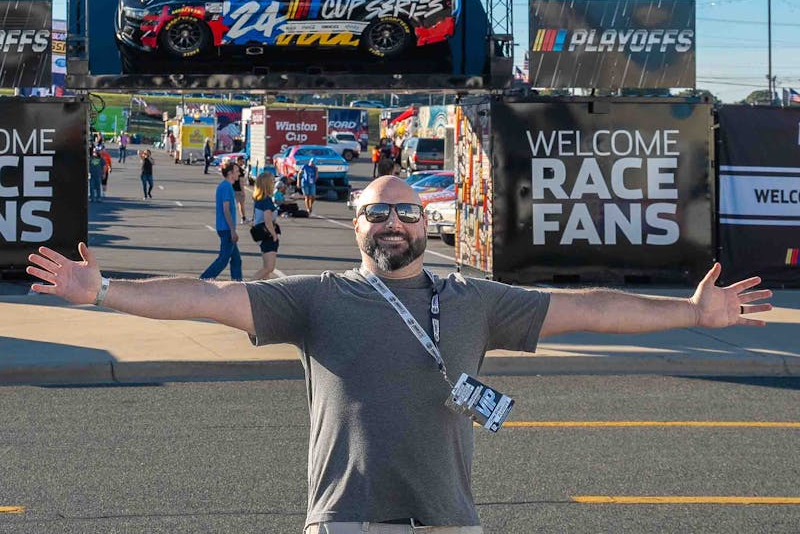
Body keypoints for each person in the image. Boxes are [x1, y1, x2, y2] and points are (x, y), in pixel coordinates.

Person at [26, 175, 773, 534]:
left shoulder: (474, 298)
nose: (391, 224)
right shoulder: (315, 296)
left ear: (427, 224)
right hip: (346, 521)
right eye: (375, 213)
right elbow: (204, 297)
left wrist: (690, 312)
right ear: (353, 226)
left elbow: (589, 309)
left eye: (405, 212)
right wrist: (107, 293)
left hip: (448, 518)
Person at [199, 161, 242, 281]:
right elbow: (226, 210)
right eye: (237, 171)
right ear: (230, 173)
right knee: (223, 259)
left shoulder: (225, 186)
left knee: (236, 260)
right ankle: (204, 280)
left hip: (225, 227)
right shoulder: (226, 187)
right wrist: (233, 230)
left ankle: (237, 283)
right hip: (226, 228)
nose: (239, 173)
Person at [251, 173, 280, 281]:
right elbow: (268, 221)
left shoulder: (259, 199)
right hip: (267, 235)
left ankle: (264, 291)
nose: (274, 184)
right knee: (269, 267)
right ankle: (247, 286)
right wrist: (274, 235)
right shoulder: (266, 200)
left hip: (260, 234)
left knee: (266, 268)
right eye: (272, 181)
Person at [234, 155, 247, 223]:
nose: (243, 162)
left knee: (231, 204)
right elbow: (241, 181)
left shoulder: (232, 167)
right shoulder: (240, 170)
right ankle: (243, 218)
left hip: (231, 188)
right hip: (238, 189)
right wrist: (243, 191)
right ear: (239, 160)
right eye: (242, 161)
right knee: (241, 204)